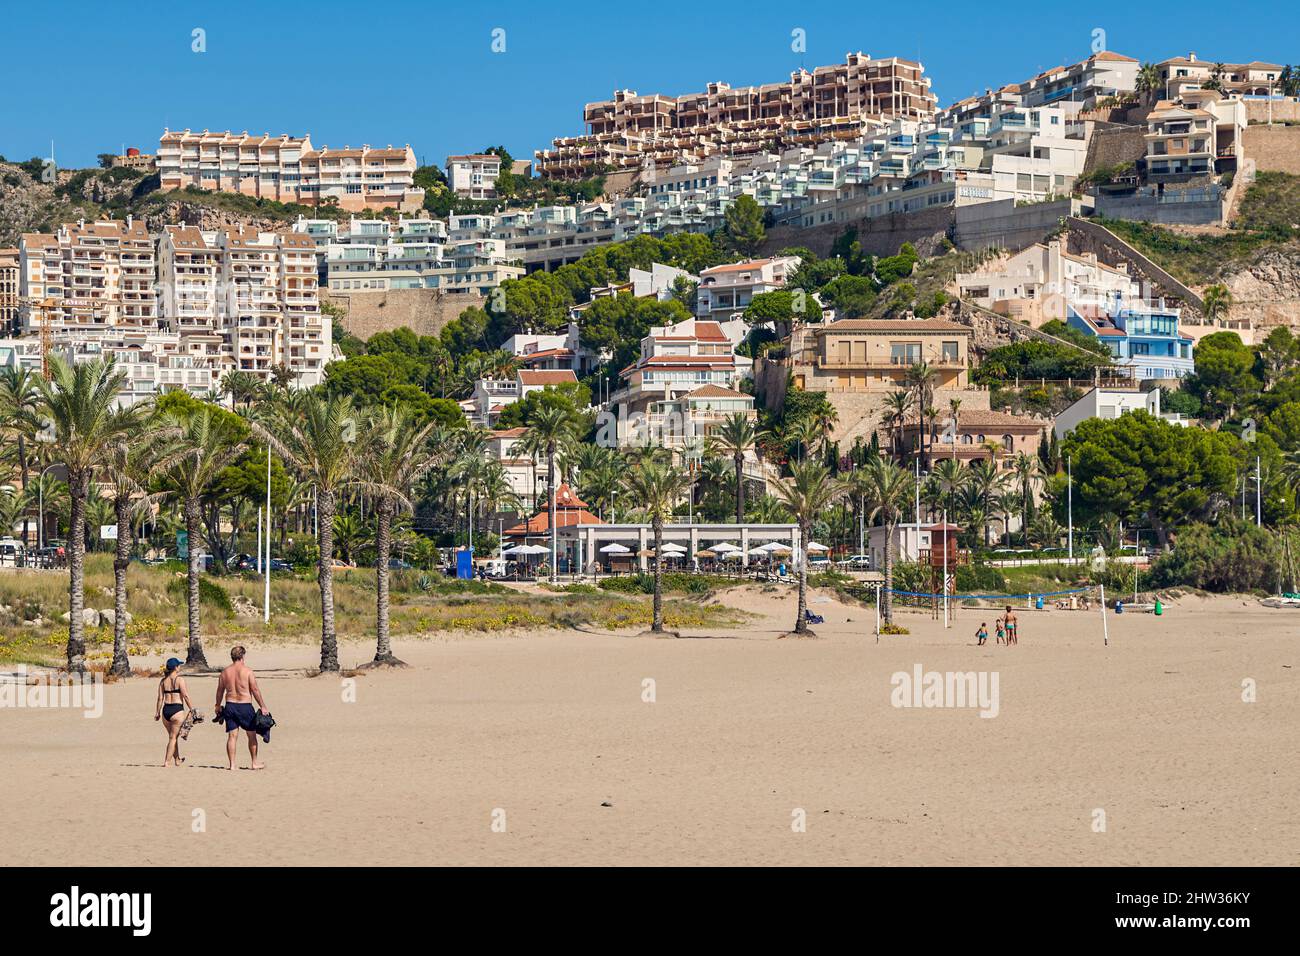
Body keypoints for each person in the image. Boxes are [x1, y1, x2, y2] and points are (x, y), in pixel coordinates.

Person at [213, 645, 268, 771]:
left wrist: (217, 705)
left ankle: (232, 765)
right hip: (245, 706)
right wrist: (262, 706)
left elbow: (220, 691)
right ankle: (254, 763)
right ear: (242, 656)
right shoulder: (248, 671)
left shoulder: (225, 672)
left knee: (232, 736)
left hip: (230, 705)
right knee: (252, 735)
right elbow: (254, 690)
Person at [154, 658, 193, 767]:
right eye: (179, 665)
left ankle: (177, 760)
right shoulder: (180, 680)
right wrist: (192, 709)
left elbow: (160, 698)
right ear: (175, 668)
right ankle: (167, 761)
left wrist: (157, 712)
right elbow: (185, 696)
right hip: (177, 710)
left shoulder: (163, 681)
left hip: (165, 711)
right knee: (173, 738)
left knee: (173, 738)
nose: (180, 667)